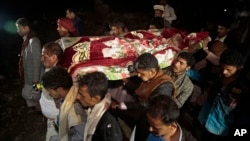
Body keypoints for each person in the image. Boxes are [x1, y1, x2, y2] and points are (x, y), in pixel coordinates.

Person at [111, 52, 176, 141]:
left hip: (150, 119)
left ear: (152, 71)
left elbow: (150, 104)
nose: (138, 75)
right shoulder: (153, 77)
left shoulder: (165, 86)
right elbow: (142, 90)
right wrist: (127, 83)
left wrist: (127, 105)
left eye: (141, 73)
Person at [197, 49, 245, 141]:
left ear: (239, 68)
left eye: (229, 70)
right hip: (202, 119)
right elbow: (204, 78)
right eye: (223, 68)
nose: (224, 72)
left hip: (219, 131)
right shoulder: (218, 74)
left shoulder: (243, 88)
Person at [42, 66, 86, 141]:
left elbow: (82, 136)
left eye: (50, 90)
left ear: (59, 89)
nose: (48, 93)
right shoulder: (69, 94)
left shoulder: (75, 110)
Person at [76, 71, 123, 141]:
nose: (77, 97)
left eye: (82, 95)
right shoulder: (93, 111)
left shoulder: (108, 127)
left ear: (95, 99)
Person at [16, 17, 43, 108]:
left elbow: (37, 62)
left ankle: (41, 107)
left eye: (19, 28)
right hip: (29, 78)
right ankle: (38, 108)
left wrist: (35, 80)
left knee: (36, 93)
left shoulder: (33, 41)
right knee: (30, 94)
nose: (17, 30)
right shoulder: (26, 41)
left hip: (35, 79)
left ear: (26, 28)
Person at [39, 42, 63, 141]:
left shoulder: (57, 75)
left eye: (44, 56)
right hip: (52, 119)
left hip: (57, 120)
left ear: (53, 57)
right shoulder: (49, 70)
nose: (41, 59)